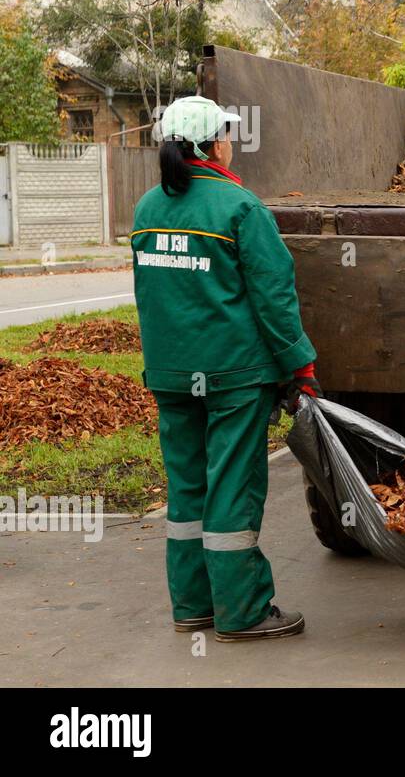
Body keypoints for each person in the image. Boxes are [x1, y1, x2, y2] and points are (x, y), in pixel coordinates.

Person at [131, 95, 319, 642]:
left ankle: (193, 607)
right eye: (226, 136)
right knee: (232, 486)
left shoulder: (147, 209)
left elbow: (151, 296)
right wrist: (299, 366)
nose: (231, 144)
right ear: (210, 144)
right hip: (233, 377)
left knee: (187, 489)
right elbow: (274, 299)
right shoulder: (240, 208)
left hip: (169, 375)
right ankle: (243, 612)